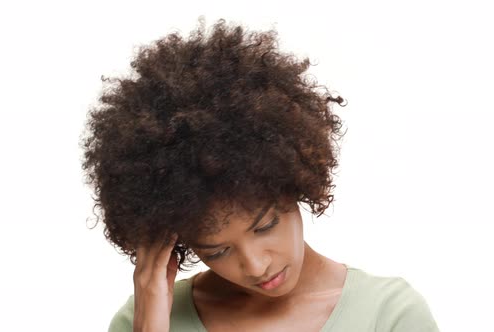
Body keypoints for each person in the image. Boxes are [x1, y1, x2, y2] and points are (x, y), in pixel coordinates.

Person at [81, 18, 440, 332]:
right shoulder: (145, 319)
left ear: (294, 181)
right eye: (218, 250)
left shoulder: (389, 315)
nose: (256, 265)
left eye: (265, 226)